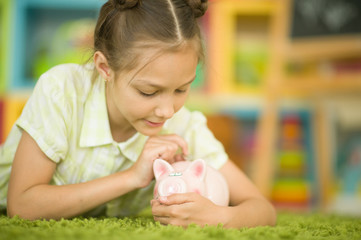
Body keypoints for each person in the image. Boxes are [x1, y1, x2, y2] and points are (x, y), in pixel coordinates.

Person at [0, 0, 276, 228]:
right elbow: (22, 206)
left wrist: (220, 216)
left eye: (181, 89)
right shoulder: (62, 92)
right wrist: (132, 177)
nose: (167, 111)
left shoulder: (182, 127)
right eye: (148, 92)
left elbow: (262, 209)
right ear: (105, 68)